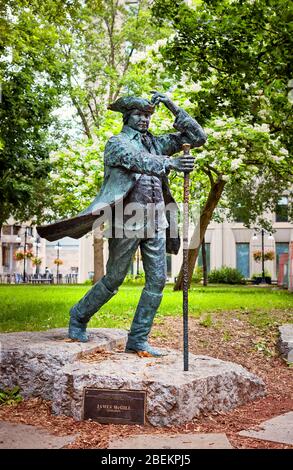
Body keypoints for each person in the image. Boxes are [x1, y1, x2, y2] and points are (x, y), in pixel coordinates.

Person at [37, 92, 206, 357]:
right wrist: (171, 162)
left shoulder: (155, 144)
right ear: (127, 116)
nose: (144, 120)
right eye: (139, 114)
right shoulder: (117, 143)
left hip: (156, 219)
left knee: (158, 280)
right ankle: (79, 315)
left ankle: (138, 339)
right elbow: (138, 161)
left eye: (148, 115)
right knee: (114, 279)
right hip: (127, 219)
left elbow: (197, 138)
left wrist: (172, 105)